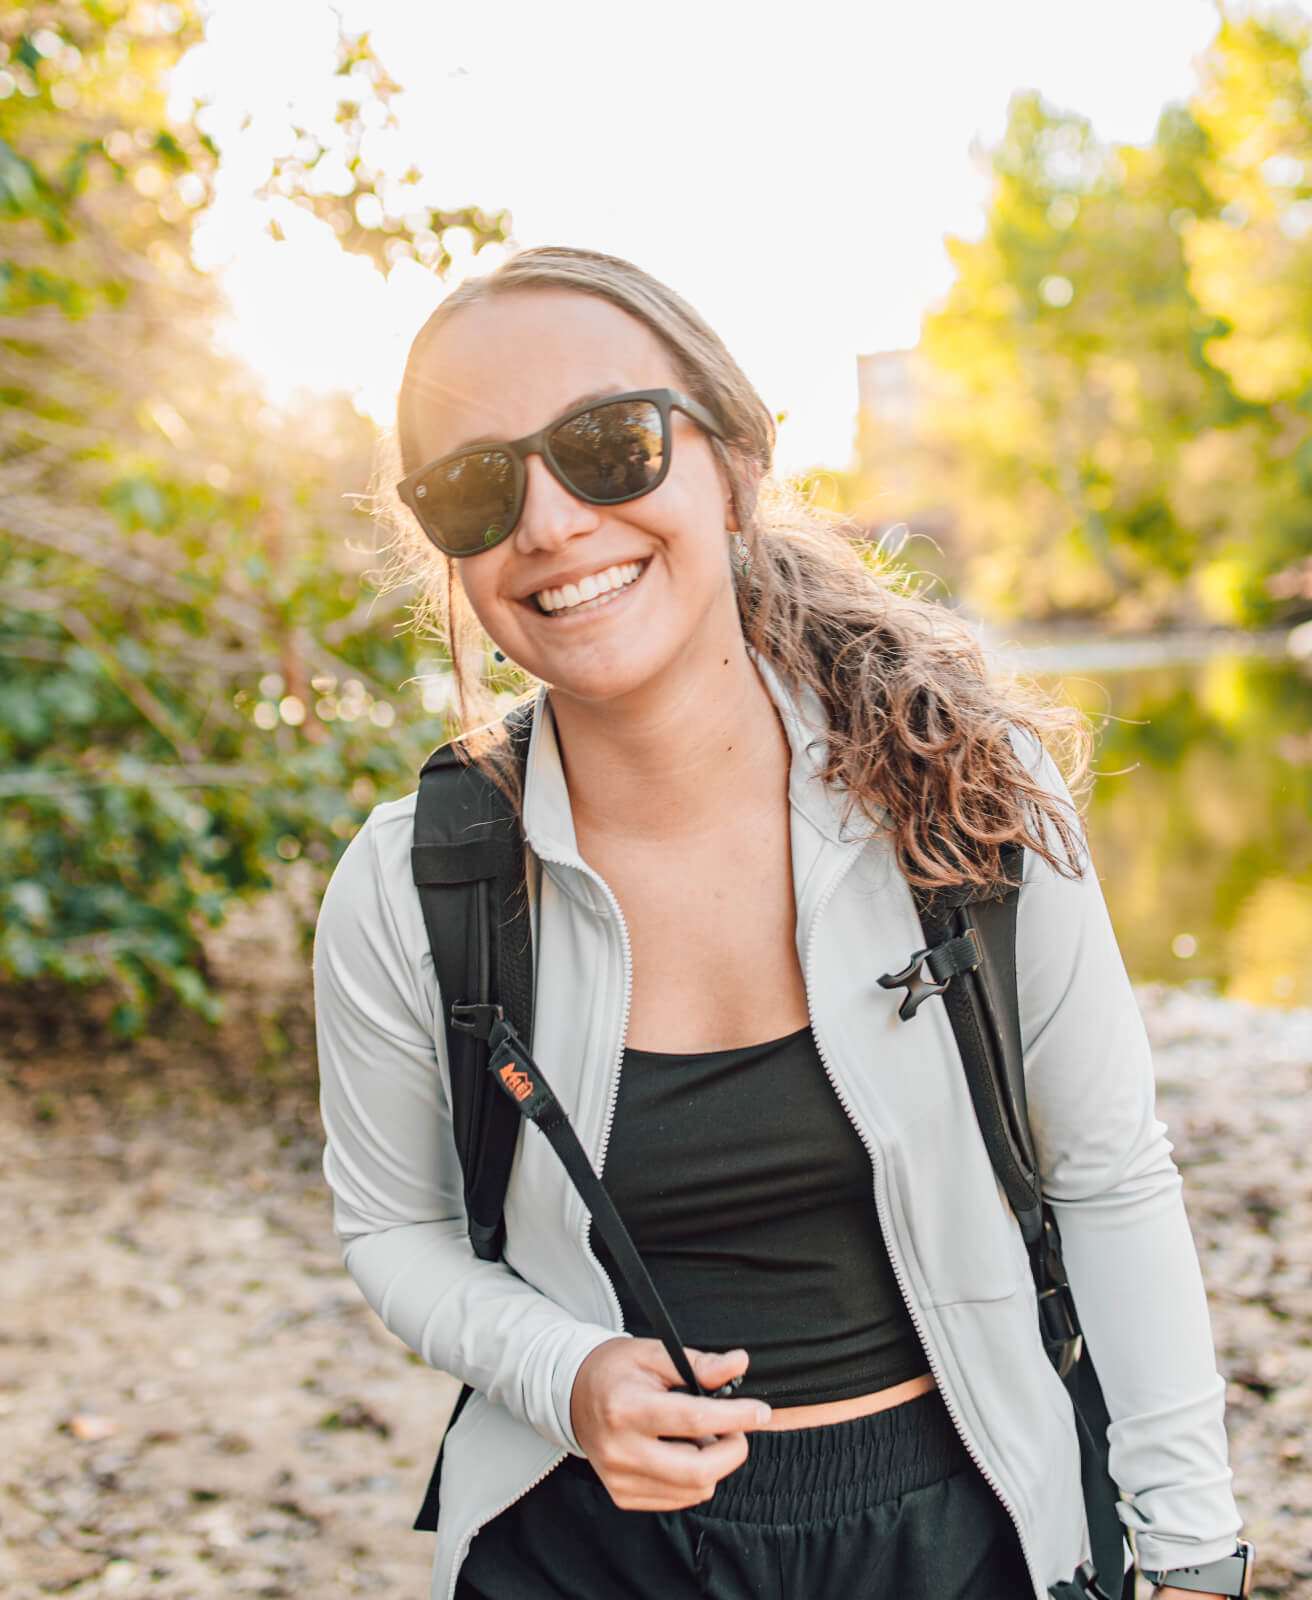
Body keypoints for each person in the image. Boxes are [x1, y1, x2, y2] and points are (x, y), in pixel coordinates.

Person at [314, 246, 1246, 1600]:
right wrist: (563, 1376)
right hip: (578, 1560)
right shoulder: (413, 881)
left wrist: (1194, 1553)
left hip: (968, 1538)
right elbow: (395, 1232)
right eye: (478, 485)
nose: (555, 522)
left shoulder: (968, 791)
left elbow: (1110, 1178)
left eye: (609, 445)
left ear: (736, 464)